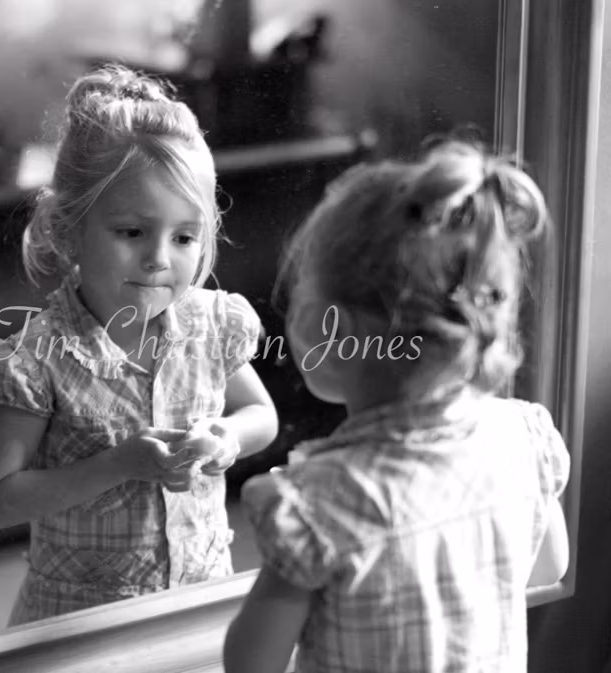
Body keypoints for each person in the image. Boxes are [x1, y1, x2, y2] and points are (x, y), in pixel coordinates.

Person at [224, 139, 570, 673]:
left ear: (325, 327)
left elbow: (252, 662)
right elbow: (549, 565)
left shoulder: (319, 503)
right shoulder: (524, 438)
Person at [0, 64, 279, 625]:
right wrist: (118, 465)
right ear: (69, 229)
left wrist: (224, 437)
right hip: (81, 621)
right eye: (133, 232)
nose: (161, 258)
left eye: (184, 237)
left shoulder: (211, 326)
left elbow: (261, 415)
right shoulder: (38, 358)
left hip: (198, 596)